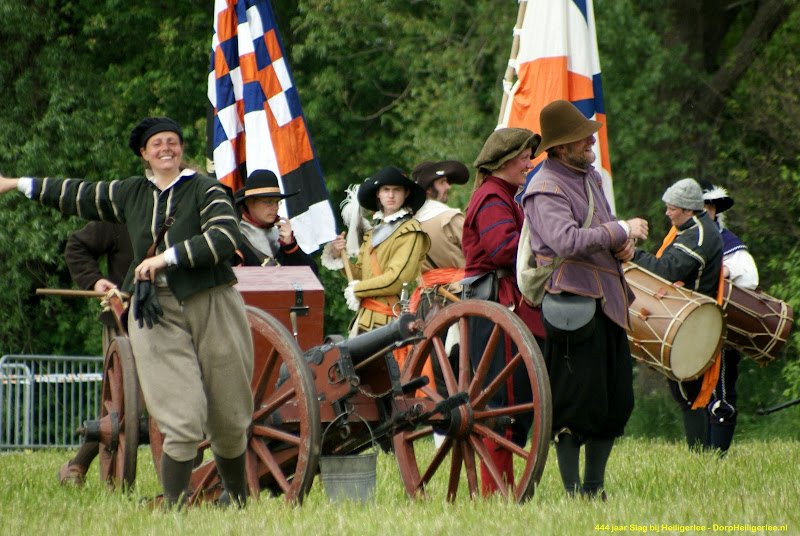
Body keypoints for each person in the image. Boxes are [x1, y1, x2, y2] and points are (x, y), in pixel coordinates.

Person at [0, 116, 254, 508]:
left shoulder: (207, 190)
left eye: (173, 141)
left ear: (181, 149)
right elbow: (78, 194)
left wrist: (164, 259)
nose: (166, 148)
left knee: (230, 416)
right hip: (155, 311)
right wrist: (17, 184)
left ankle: (237, 501)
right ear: (144, 154)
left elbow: (224, 236)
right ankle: (173, 508)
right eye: (157, 144)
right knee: (182, 420)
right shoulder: (131, 192)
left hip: (212, 301)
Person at [520, 99, 649, 499]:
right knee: (576, 406)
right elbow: (566, 242)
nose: (591, 140)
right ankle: (575, 492)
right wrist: (621, 229)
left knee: (614, 401)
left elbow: (601, 229)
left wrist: (622, 246)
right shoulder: (543, 187)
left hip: (607, 300)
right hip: (573, 302)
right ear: (562, 147)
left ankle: (595, 489)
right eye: (582, 137)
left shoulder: (588, 176)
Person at [463, 127, 547, 495]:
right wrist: (546, 242)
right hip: (496, 305)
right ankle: (497, 492)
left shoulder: (507, 195)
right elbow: (502, 251)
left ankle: (506, 488)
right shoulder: (492, 198)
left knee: (516, 403)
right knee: (502, 406)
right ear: (504, 162)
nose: (529, 163)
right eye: (524, 156)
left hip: (510, 302)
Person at [631, 177, 723, 452]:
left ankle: (701, 455)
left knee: (688, 394)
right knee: (685, 392)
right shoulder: (694, 229)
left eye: (671, 208)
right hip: (690, 320)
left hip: (694, 323)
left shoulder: (699, 235)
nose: (667, 213)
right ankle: (703, 453)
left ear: (687, 209)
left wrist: (632, 254)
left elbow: (666, 270)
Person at [57, 221, 134, 487]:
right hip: (124, 320)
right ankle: (78, 464)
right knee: (120, 404)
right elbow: (77, 246)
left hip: (176, 318)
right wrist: (95, 280)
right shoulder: (123, 211)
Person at [322, 166, 430, 336]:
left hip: (389, 321)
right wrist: (339, 258)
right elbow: (360, 276)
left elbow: (396, 278)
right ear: (378, 193)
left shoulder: (411, 231)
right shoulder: (373, 231)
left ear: (406, 193)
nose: (391, 195)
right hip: (363, 321)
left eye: (397, 190)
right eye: (386, 190)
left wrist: (358, 290)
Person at [699, 179, 759, 454]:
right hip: (691, 330)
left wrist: (722, 273)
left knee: (721, 391)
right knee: (691, 392)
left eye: (705, 207)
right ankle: (699, 451)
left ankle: (717, 455)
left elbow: (749, 276)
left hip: (721, 331)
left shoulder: (728, 242)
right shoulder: (682, 240)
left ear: (713, 208)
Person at [409, 160, 469, 319]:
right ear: (428, 189)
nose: (448, 187)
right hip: (459, 297)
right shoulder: (449, 218)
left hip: (425, 303)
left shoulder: (408, 226)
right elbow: (477, 255)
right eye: (442, 182)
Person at [233, 169, 319, 277]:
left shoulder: (283, 238)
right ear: (250, 202)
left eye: (277, 202)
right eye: (269, 202)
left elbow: (312, 276)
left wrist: (290, 246)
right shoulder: (234, 240)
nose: (276, 207)